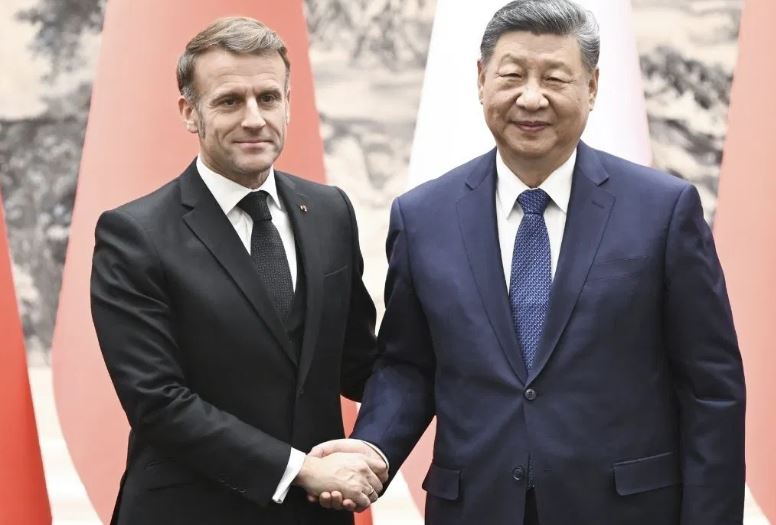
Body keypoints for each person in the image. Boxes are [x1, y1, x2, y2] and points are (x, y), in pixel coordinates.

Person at [311, 1, 746, 523]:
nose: (531, 97)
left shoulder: (662, 211)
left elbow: (710, 389)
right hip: (476, 507)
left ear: (592, 87)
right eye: (512, 75)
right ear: (481, 80)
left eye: (555, 78)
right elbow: (409, 364)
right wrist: (372, 448)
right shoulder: (423, 216)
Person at [90, 16, 386, 525]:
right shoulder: (133, 234)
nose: (254, 118)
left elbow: (359, 364)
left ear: (288, 103)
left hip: (317, 515)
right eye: (229, 101)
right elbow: (158, 402)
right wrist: (299, 470)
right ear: (190, 112)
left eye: (268, 98)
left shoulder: (331, 211)